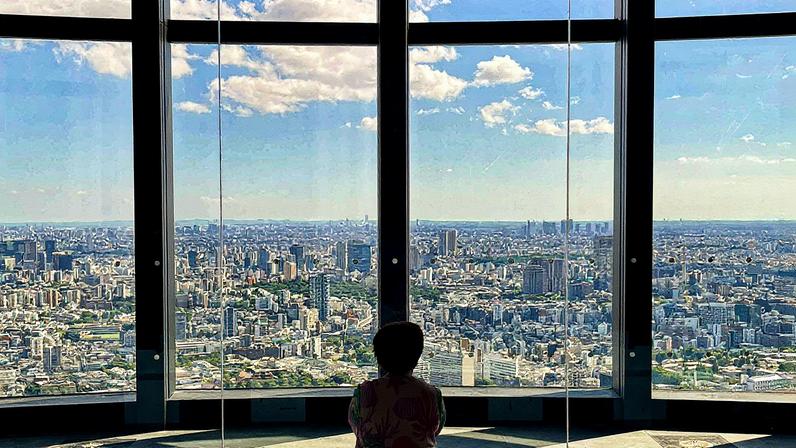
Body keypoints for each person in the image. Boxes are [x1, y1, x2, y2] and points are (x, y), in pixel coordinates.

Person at [348, 321, 446, 448]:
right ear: (417, 356)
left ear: (379, 358)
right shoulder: (431, 395)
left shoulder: (363, 393)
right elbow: (435, 429)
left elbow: (357, 427)